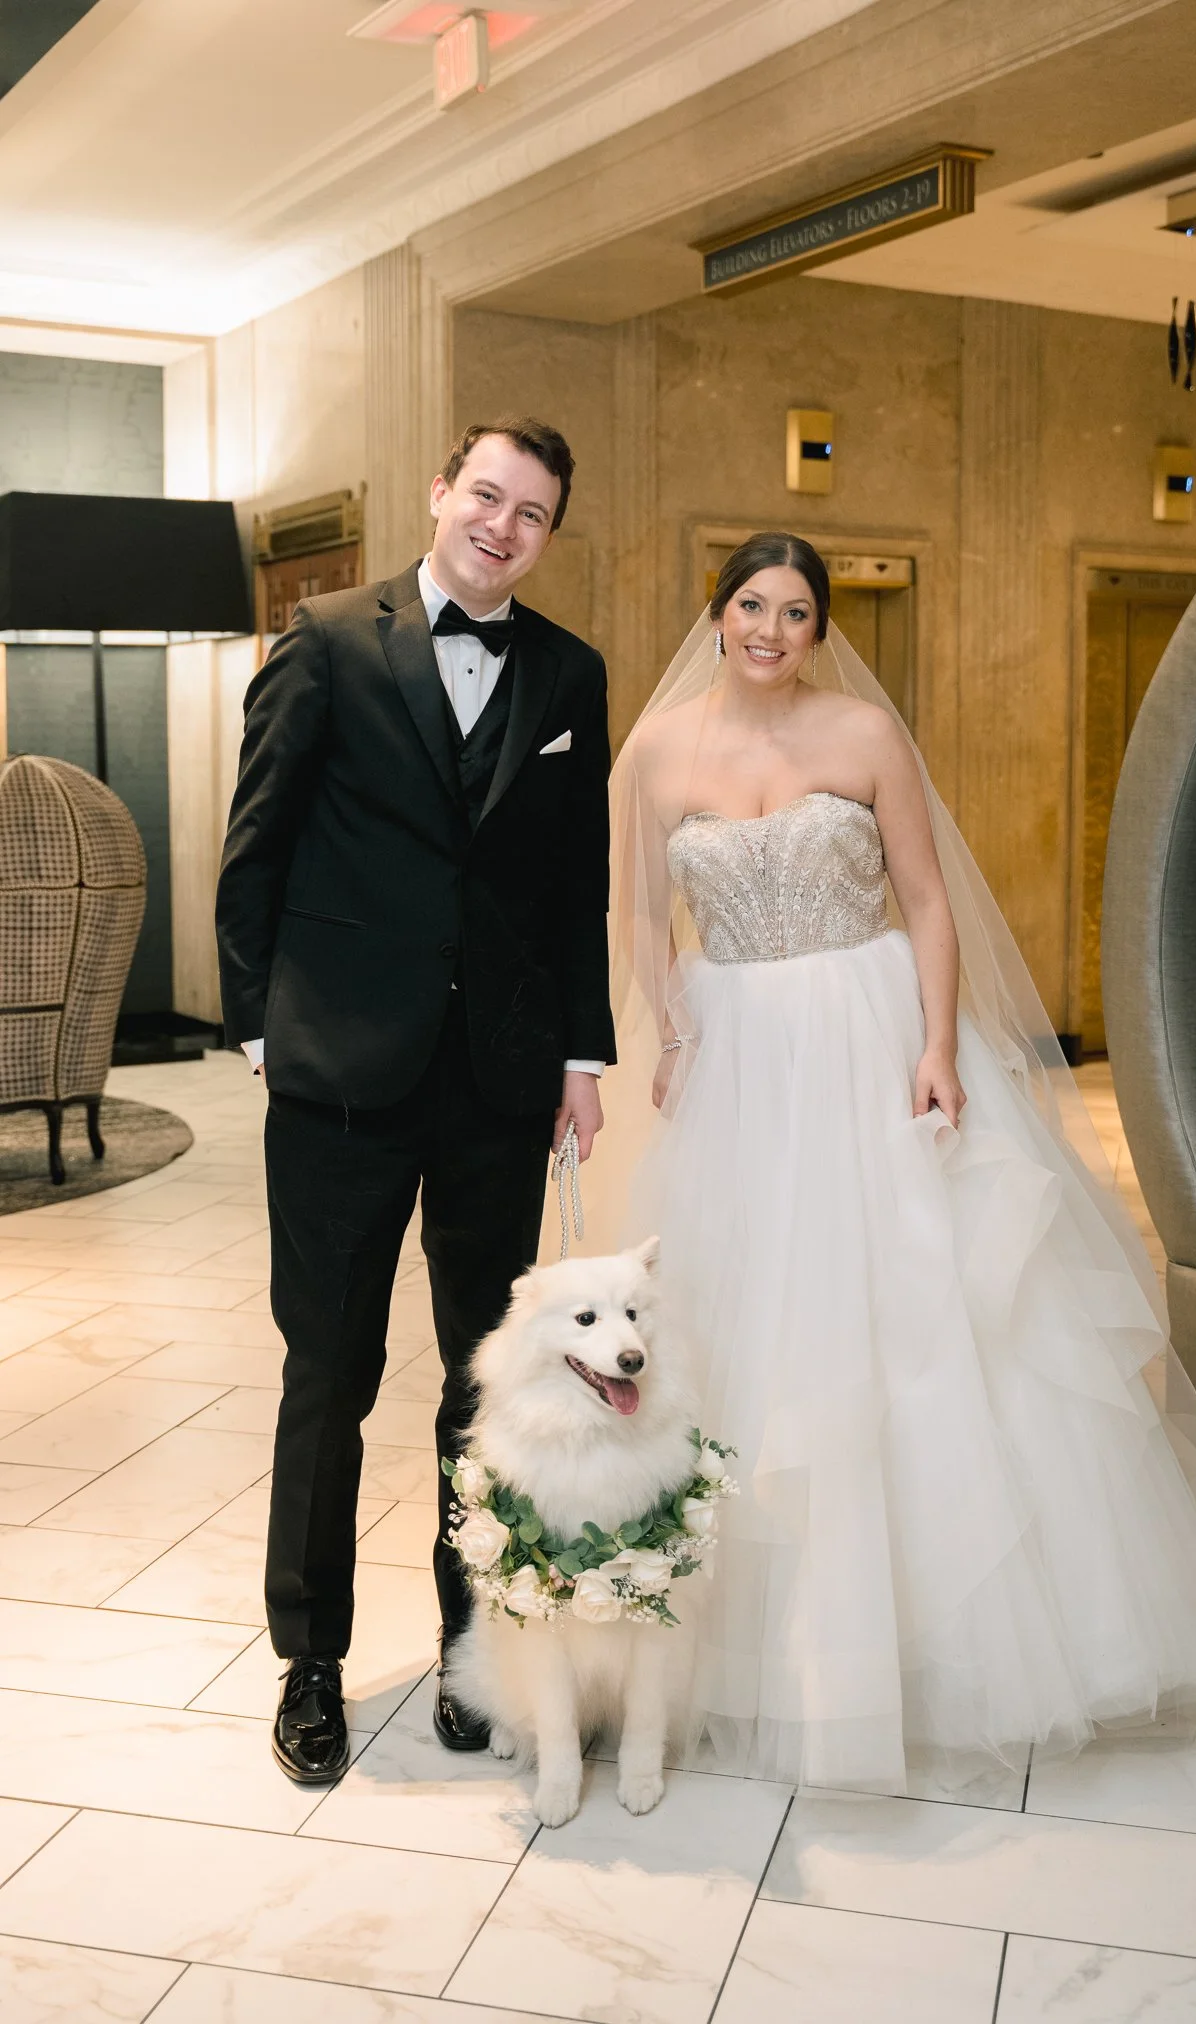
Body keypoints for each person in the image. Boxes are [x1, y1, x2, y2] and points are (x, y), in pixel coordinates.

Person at [602, 531, 1196, 1796]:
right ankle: (769, 1649)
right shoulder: (652, 752)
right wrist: (672, 1026)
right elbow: (634, 910)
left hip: (871, 1033)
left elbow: (926, 900)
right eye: (751, 604)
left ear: (821, 630)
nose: (770, 629)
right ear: (715, 615)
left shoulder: (863, 735)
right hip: (739, 1051)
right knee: (757, 1321)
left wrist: (934, 1044)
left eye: (797, 611)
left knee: (927, 1316)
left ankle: (967, 1642)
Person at [216, 417, 615, 1783]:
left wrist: (580, 1056)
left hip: (497, 1080)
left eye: (531, 513)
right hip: (336, 1072)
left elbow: (574, 885)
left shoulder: (569, 671)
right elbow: (257, 843)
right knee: (328, 1372)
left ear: (548, 534)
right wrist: (259, 1025)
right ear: (441, 492)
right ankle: (310, 1662)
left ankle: (470, 1650)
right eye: (485, 496)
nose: (502, 526)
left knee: (482, 1378)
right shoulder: (326, 639)